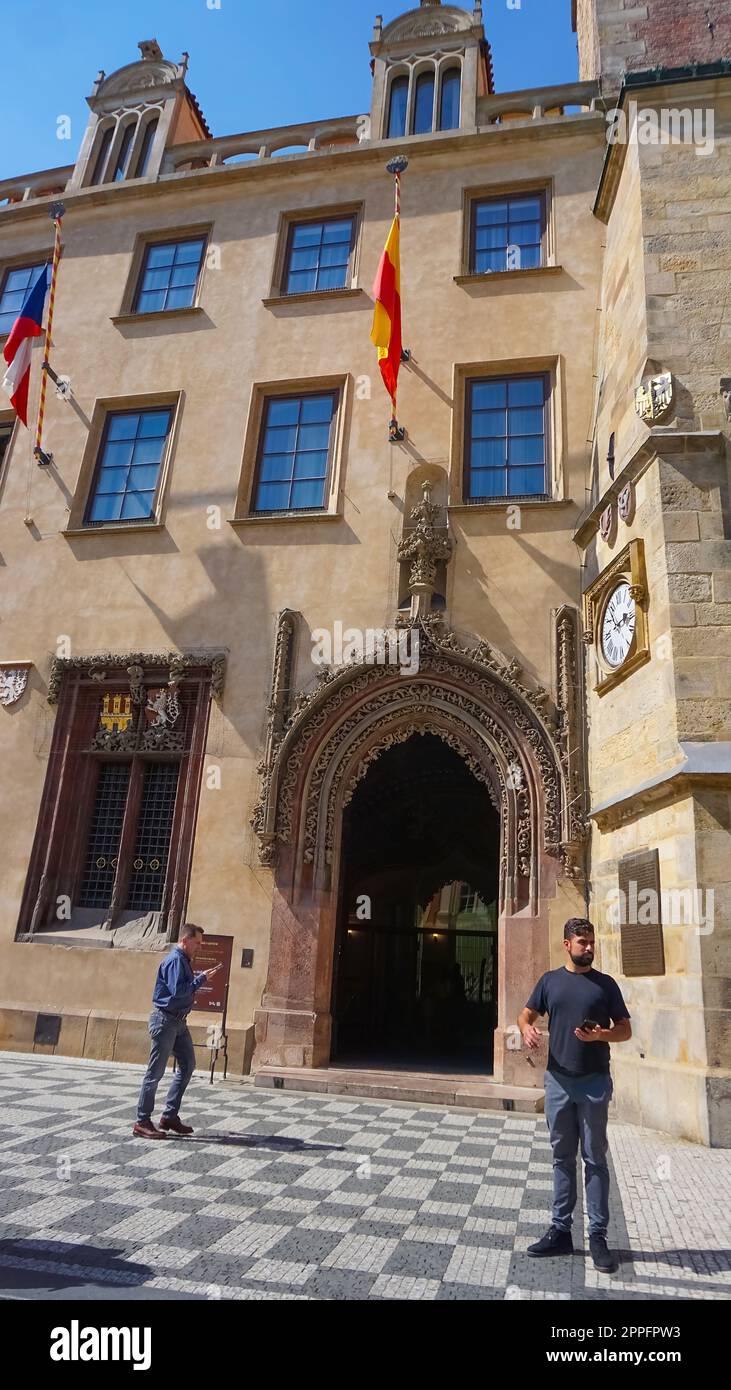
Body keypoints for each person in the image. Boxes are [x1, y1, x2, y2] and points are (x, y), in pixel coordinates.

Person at [517, 917, 631, 1273]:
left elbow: (625, 1031)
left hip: (594, 1081)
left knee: (595, 1158)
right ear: (567, 944)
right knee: (561, 1157)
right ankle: (561, 1231)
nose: (589, 947)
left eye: (592, 942)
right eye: (582, 942)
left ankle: (597, 1236)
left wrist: (600, 1036)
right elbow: (524, 1015)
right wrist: (527, 1030)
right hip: (558, 1081)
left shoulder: (606, 985)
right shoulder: (550, 981)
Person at [133, 924, 222, 1140]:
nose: (199, 947)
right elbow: (177, 993)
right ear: (185, 940)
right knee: (155, 1072)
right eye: (198, 942)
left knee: (188, 1065)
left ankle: (169, 1116)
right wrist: (201, 980)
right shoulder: (175, 960)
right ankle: (142, 1121)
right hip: (165, 1021)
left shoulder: (183, 961)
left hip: (179, 1022)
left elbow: (182, 989)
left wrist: (199, 978)